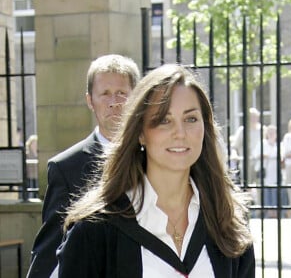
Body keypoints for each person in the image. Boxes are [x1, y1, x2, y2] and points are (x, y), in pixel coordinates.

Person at [55, 64, 255, 277]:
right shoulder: (95, 230)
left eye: (190, 119)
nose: (180, 133)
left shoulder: (227, 219)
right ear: (140, 133)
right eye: (164, 121)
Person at [26, 54, 140, 278]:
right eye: (105, 94)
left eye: (121, 93)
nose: (114, 102)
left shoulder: (156, 157)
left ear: (136, 98)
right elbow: (50, 247)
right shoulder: (66, 167)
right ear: (90, 101)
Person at [231, 107, 265, 213]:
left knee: (260, 185)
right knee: (246, 185)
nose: (254, 119)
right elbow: (234, 146)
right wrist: (235, 155)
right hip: (246, 161)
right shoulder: (242, 130)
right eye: (252, 117)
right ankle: (246, 209)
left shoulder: (262, 130)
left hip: (260, 162)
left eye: (255, 117)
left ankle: (260, 210)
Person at [253, 125, 282, 218]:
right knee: (265, 191)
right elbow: (256, 154)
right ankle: (268, 211)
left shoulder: (278, 145)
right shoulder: (262, 143)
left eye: (273, 132)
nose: (271, 134)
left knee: (274, 191)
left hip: (275, 172)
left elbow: (282, 157)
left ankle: (274, 211)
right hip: (264, 172)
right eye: (269, 132)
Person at [25, 134, 39, 199]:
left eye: (36, 143)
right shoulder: (27, 154)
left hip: (37, 176)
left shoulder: (39, 154)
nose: (35, 145)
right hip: (29, 176)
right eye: (33, 143)